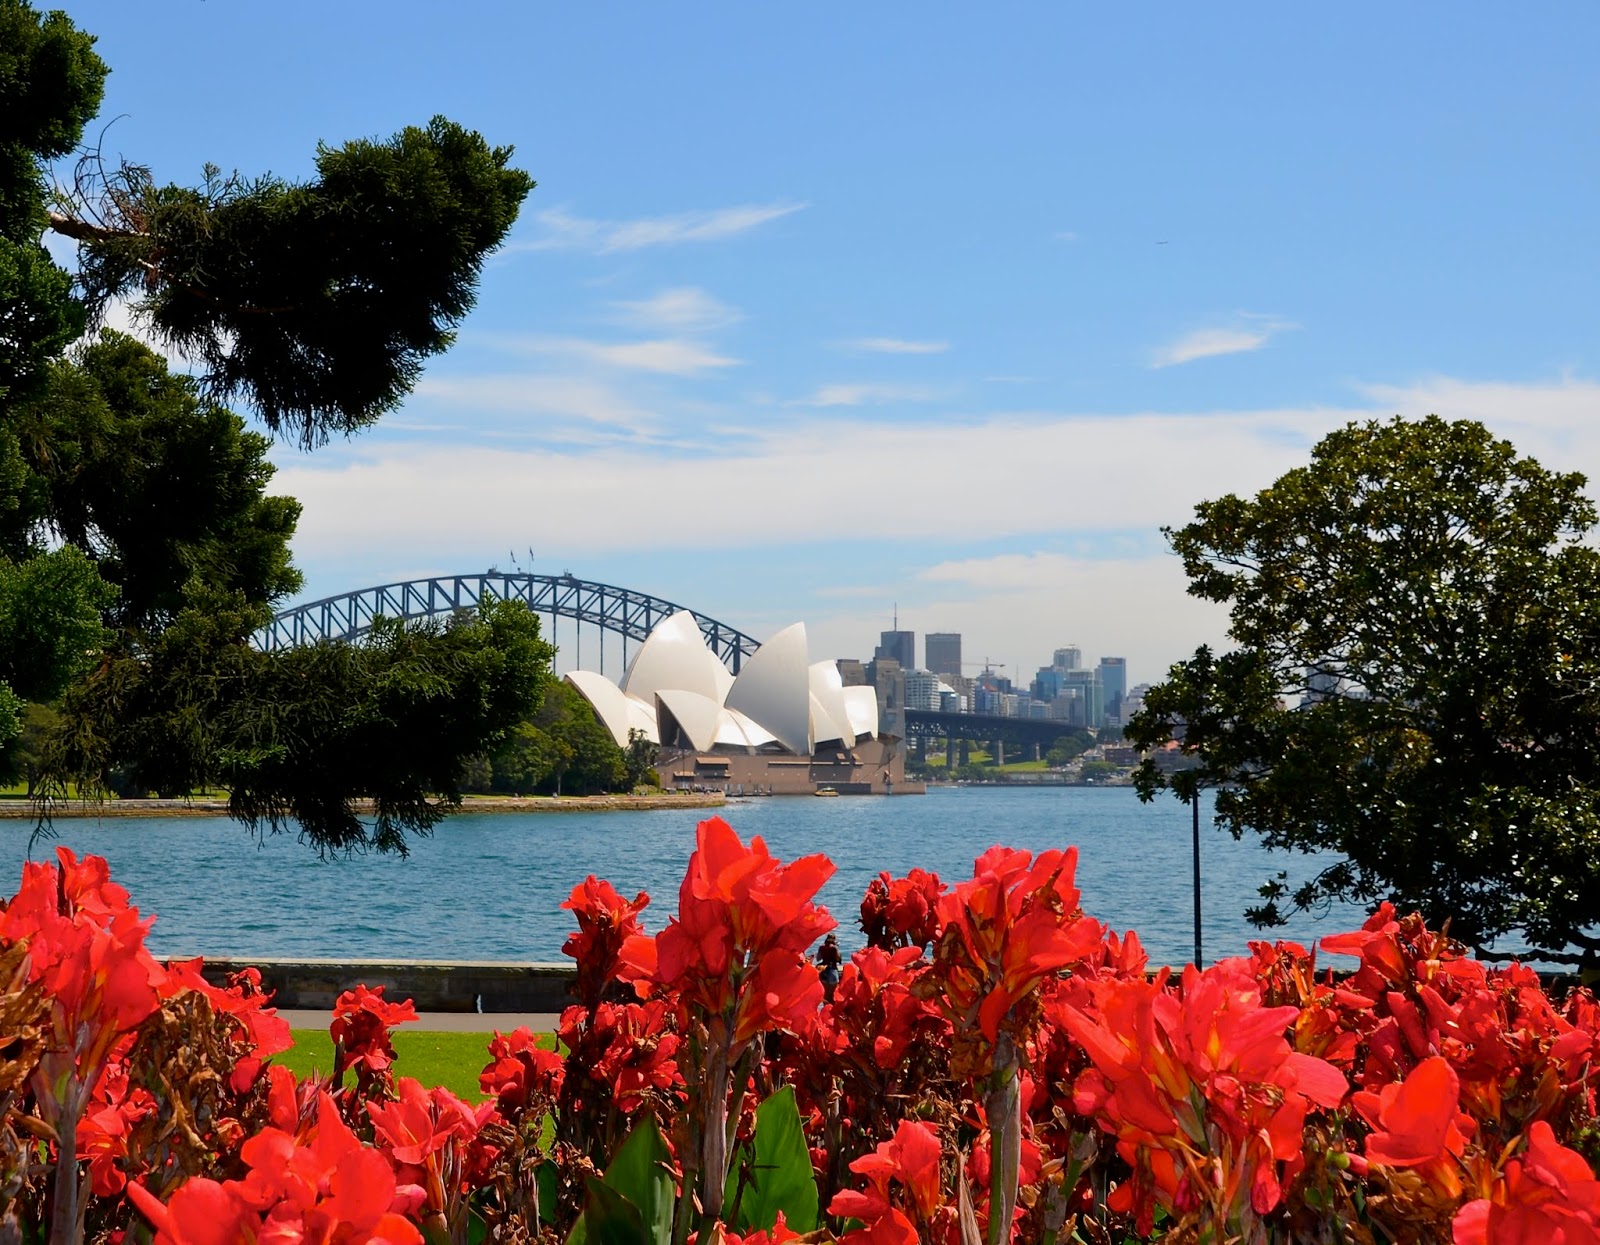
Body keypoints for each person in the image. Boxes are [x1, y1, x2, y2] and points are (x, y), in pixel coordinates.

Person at [816, 933, 842, 1003]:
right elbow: (838, 959)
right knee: (832, 996)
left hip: (823, 971)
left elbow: (818, 958)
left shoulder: (821, 947)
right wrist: (837, 949)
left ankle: (824, 1010)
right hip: (832, 971)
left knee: (825, 996)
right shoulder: (834, 948)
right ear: (834, 940)